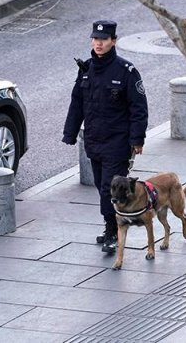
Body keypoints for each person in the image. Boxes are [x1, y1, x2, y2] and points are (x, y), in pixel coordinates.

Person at [62, 20, 149, 253]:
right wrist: (70, 133)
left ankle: (113, 232)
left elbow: (138, 107)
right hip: (94, 141)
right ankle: (110, 226)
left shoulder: (125, 71)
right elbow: (77, 103)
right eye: (95, 39)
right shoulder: (87, 69)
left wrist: (137, 140)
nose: (98, 43)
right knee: (103, 186)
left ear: (113, 41)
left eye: (103, 39)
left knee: (110, 189)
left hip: (117, 142)